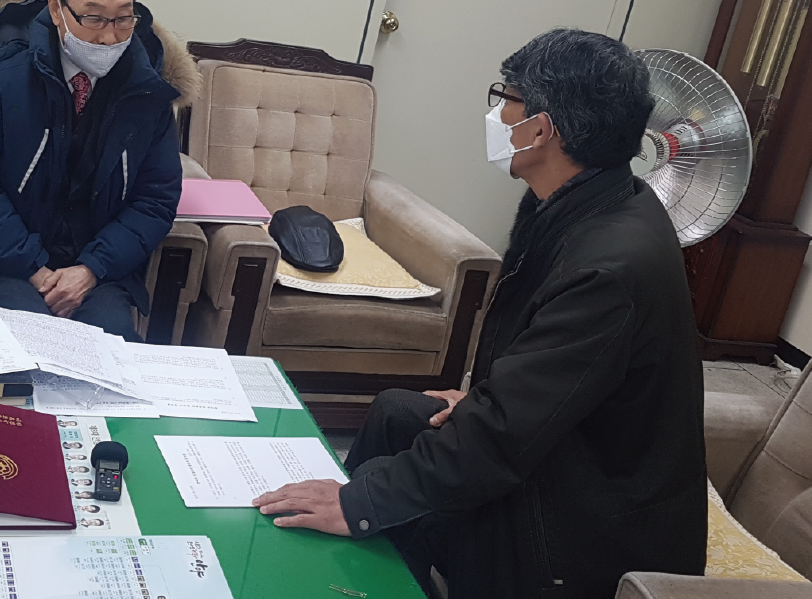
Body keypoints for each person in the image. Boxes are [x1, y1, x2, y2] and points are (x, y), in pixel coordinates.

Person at [255, 29, 707, 598]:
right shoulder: (594, 201)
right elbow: (554, 374)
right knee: (399, 413)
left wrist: (358, 503)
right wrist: (483, 398)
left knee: (382, 494)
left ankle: (376, 565)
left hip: (589, 524)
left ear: (540, 130)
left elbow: (501, 439)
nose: (497, 114)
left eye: (507, 98)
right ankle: (358, 574)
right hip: (570, 447)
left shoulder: (608, 268)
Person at [0, 0, 198, 342]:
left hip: (93, 269)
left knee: (112, 348)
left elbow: (155, 198)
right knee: (24, 343)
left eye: (123, 19)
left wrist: (91, 269)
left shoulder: (147, 85)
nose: (109, 37)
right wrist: (34, 268)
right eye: (93, 18)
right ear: (56, 9)